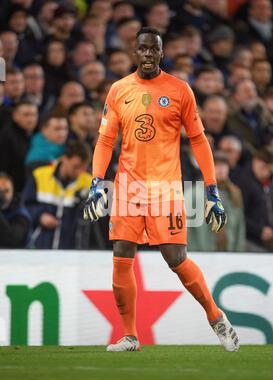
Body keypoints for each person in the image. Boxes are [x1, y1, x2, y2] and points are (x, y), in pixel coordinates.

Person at [83, 27, 239, 352]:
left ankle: (216, 317)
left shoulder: (180, 90)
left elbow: (198, 140)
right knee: (121, 253)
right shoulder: (118, 90)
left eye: (154, 50)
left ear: (161, 53)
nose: (149, 55)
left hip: (165, 189)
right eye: (143, 49)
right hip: (128, 186)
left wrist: (212, 191)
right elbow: (105, 140)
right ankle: (129, 336)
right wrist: (97, 183)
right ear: (134, 52)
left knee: (176, 258)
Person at [23, 143, 91, 249]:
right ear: (64, 159)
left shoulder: (89, 183)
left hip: (72, 252)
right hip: (39, 248)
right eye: (76, 167)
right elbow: (25, 206)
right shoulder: (40, 175)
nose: (79, 172)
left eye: (83, 168)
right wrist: (40, 216)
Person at [186, 151, 246, 252]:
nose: (220, 169)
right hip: (202, 253)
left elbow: (240, 227)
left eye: (224, 165)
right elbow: (188, 229)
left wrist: (238, 253)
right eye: (216, 165)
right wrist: (195, 253)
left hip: (229, 253)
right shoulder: (194, 193)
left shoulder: (235, 194)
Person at [0, 100, 38, 193]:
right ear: (15, 116)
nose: (30, 119)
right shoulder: (6, 138)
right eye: (26, 115)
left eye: (34, 115)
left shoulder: (39, 134)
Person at [0, 172, 31, 248]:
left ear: (13, 191)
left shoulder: (21, 215)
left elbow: (12, 240)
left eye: (6, 191)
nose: (2, 196)